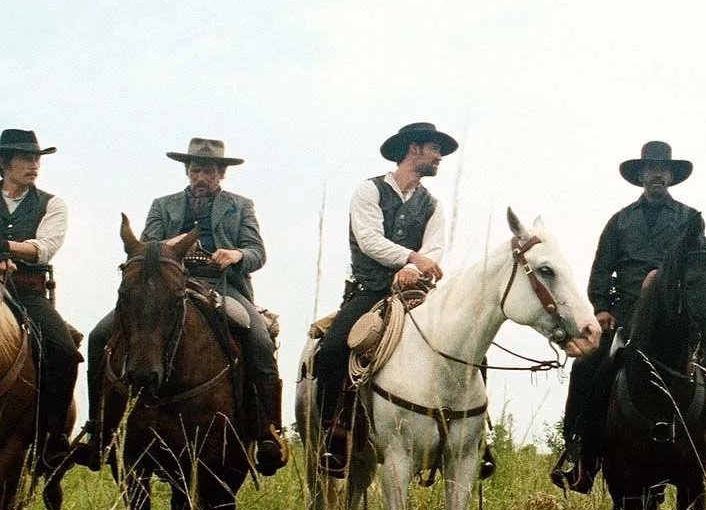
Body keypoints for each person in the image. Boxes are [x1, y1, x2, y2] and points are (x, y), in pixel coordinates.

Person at [77, 138, 287, 476]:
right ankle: (99, 430)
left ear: (221, 173)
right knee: (100, 333)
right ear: (188, 171)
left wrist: (235, 255)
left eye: (207, 170)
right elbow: (145, 247)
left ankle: (267, 431)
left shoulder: (241, 206)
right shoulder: (163, 206)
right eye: (195, 169)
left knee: (257, 335)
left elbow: (256, 252)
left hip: (222, 285)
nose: (200, 176)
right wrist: (168, 250)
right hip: (167, 284)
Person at [550, 140, 697, 493]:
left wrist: (663, 280)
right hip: (627, 316)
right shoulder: (620, 221)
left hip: (677, 318)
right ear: (642, 176)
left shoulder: (690, 219)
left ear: (672, 176)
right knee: (587, 367)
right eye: (651, 169)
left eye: (663, 169)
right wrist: (601, 308)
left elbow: (699, 268)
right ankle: (580, 454)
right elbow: (600, 272)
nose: (657, 174)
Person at [313, 122, 454, 475]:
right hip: (370, 291)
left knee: (466, 345)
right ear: (414, 149)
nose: (439, 157)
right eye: (435, 149)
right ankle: (336, 432)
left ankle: (474, 437)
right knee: (331, 351)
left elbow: (434, 248)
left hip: (417, 293)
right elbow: (369, 239)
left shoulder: (433, 204)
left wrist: (417, 269)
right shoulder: (369, 191)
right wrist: (410, 258)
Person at [0, 129, 80, 475]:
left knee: (63, 352)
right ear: (5, 162)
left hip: (28, 291)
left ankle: (53, 439)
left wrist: (5, 249)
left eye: (37, 158)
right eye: (26, 158)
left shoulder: (52, 204)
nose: (34, 165)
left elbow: (43, 247)